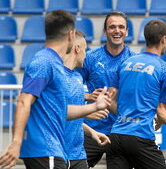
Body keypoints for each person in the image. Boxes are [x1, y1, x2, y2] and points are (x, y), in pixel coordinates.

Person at [0, 10, 111, 169]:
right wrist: (16, 143)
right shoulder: (44, 61)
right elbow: (24, 101)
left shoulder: (54, 63)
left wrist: (92, 108)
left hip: (55, 151)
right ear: (71, 35)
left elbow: (60, 110)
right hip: (45, 149)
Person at [107, 19, 166, 169]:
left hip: (116, 136)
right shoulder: (165, 70)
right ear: (164, 39)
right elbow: (162, 112)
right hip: (140, 136)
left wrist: (125, 116)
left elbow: (109, 99)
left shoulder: (126, 63)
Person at [81, 11, 136, 168]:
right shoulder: (90, 58)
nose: (117, 31)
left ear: (126, 31)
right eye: (112, 27)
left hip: (122, 131)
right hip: (93, 129)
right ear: (105, 31)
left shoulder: (134, 61)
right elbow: (70, 86)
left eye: (121, 27)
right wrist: (87, 96)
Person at [63, 30, 111, 169]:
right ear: (77, 49)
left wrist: (92, 132)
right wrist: (91, 109)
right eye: (85, 50)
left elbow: (74, 116)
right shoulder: (57, 76)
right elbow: (58, 112)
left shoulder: (77, 78)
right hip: (60, 152)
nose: (86, 55)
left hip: (78, 154)